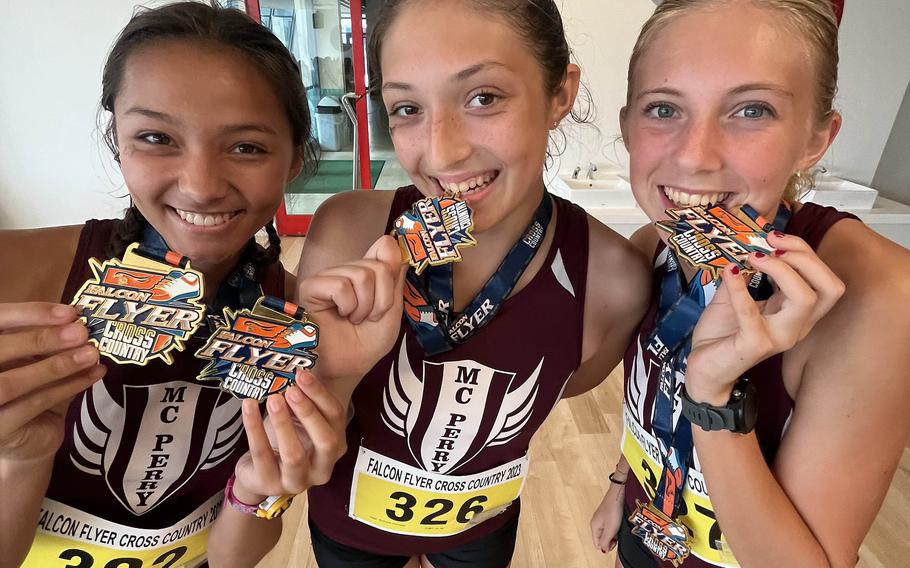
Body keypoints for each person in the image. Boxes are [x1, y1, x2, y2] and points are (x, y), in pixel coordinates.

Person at [0, 3, 401, 567]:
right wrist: (18, 462)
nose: (201, 186)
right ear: (118, 139)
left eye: (246, 147)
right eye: (157, 137)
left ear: (294, 159)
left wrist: (260, 491)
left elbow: (232, 557)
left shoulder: (290, 325)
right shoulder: (15, 286)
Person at [293, 1, 652, 567]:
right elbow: (308, 438)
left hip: (480, 527)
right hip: (347, 524)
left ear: (560, 93)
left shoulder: (614, 280)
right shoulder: (347, 230)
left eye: (483, 97)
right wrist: (334, 381)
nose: (442, 151)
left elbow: (573, 386)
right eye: (407, 107)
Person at [590, 1, 910, 567]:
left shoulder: (881, 296)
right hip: (649, 531)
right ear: (627, 127)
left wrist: (712, 400)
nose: (694, 156)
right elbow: (646, 398)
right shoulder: (652, 246)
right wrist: (621, 484)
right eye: (663, 108)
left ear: (816, 137)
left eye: (752, 110)